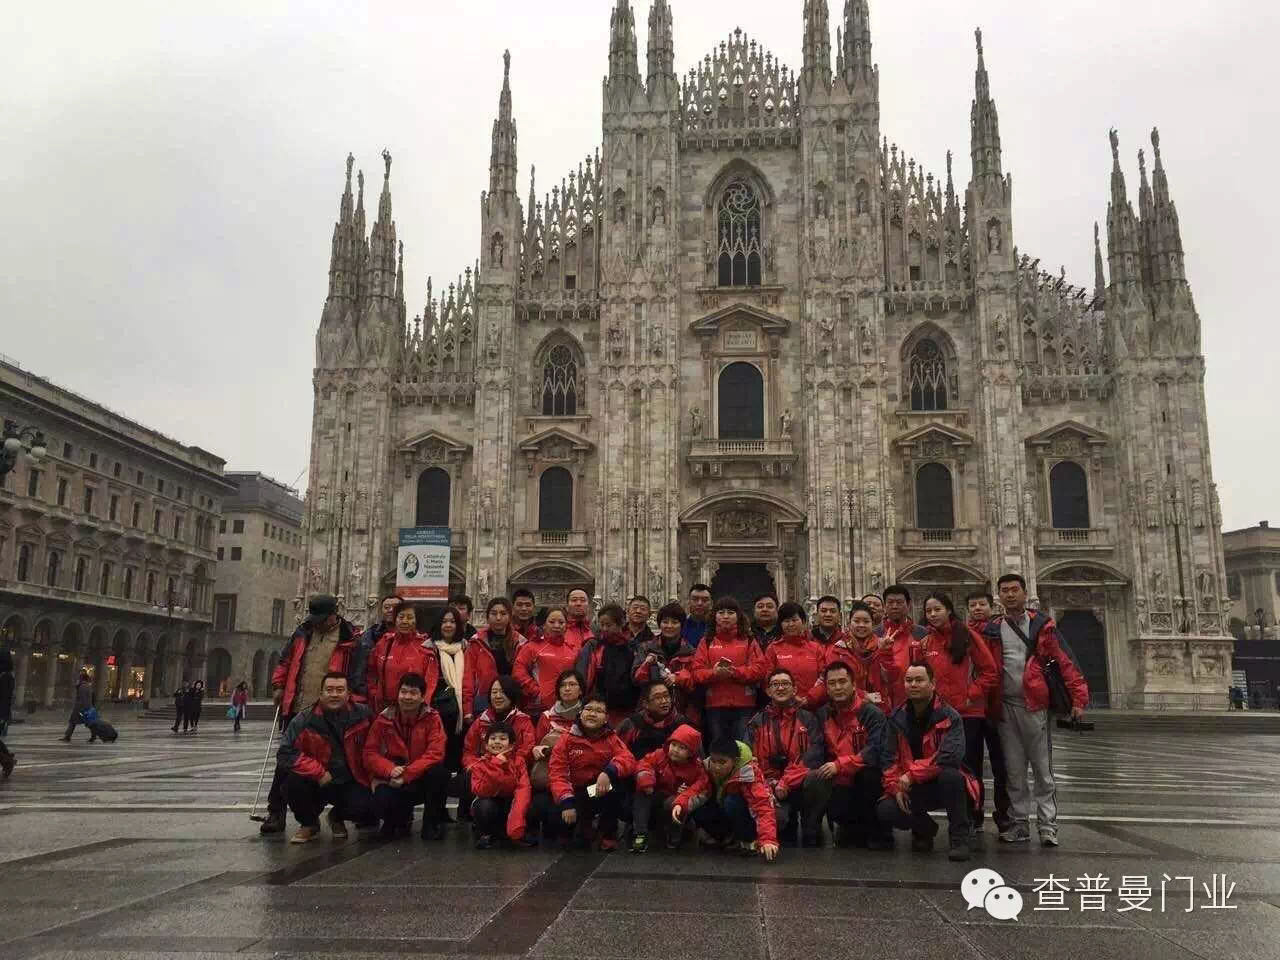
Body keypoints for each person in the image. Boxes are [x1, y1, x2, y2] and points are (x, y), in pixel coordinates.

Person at [982, 573, 1088, 847]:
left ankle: (1047, 825)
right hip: (1005, 707)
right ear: (998, 596)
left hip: (1034, 706)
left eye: (1014, 589)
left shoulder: (1042, 626)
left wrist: (1079, 699)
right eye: (1004, 590)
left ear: (1025, 592)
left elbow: (1065, 663)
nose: (1009, 594)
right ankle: (1019, 824)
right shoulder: (992, 629)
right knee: (1014, 769)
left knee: (1042, 769)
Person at [261, 594, 366, 835]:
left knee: (339, 762)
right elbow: (285, 660)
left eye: (321, 618)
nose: (315, 622)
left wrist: (353, 703)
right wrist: (278, 686)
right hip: (299, 706)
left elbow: (358, 675)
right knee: (286, 763)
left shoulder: (350, 638)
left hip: (334, 710)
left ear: (333, 615)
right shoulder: (303, 632)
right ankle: (276, 812)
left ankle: (337, 812)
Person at [877, 662, 980, 862]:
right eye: (909, 680)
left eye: (919, 680)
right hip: (911, 784)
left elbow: (949, 757)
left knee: (952, 776)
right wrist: (895, 787)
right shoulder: (896, 718)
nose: (913, 684)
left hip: (943, 782)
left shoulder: (950, 716)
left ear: (932, 684)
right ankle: (924, 830)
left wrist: (911, 775)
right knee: (886, 809)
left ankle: (959, 839)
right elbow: (889, 760)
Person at [921, 592, 998, 844]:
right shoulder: (926, 642)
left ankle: (974, 818)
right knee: (946, 767)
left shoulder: (966, 635)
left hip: (967, 714)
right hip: (939, 715)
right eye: (929, 611)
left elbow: (989, 671)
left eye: (937, 609)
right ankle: (959, 819)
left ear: (949, 610)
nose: (933, 614)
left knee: (969, 767)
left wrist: (969, 696)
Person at [277, 671, 377, 844]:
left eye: (340, 690)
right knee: (292, 782)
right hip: (318, 780)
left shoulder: (364, 715)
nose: (334, 694)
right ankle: (309, 823)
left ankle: (336, 816)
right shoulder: (305, 718)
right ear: (321, 693)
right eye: (329, 690)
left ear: (348, 694)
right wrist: (318, 772)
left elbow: (378, 746)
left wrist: (375, 776)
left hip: (351, 779)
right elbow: (285, 752)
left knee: (371, 804)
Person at [363, 672, 450, 840]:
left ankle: (431, 823)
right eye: (403, 692)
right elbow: (369, 753)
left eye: (413, 693)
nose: (407, 697)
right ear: (397, 694)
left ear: (422, 697)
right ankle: (395, 820)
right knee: (379, 800)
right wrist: (389, 769)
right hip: (393, 777)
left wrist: (407, 774)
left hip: (419, 776)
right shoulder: (383, 719)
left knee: (439, 773)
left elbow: (436, 753)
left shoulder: (433, 718)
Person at [747, 669, 827, 846]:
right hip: (770, 787)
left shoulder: (809, 719)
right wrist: (769, 784)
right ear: (768, 691)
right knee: (779, 823)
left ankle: (811, 827)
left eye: (785, 684)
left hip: (799, 783)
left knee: (818, 777)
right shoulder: (756, 722)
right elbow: (749, 760)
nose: (780, 688)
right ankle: (786, 824)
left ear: (794, 689)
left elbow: (814, 756)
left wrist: (786, 781)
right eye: (775, 684)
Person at [817, 661, 892, 849]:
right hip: (838, 778)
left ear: (853, 685)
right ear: (827, 688)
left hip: (866, 775)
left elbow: (875, 750)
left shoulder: (872, 713)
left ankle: (880, 831)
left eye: (842, 682)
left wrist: (840, 765)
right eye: (832, 683)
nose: (838, 687)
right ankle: (846, 826)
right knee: (817, 779)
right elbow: (819, 749)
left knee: (869, 776)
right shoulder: (822, 714)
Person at [547, 696, 636, 850]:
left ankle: (608, 833)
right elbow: (557, 774)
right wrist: (566, 801)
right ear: (580, 713)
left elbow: (628, 759)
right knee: (563, 831)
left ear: (606, 718)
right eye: (588, 709)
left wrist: (608, 772)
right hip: (573, 793)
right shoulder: (567, 740)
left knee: (614, 788)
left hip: (596, 789)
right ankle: (582, 828)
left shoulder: (611, 738)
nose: (592, 714)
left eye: (599, 711)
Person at [675, 735, 779, 860]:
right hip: (723, 810)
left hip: (748, 818)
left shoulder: (750, 773)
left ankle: (747, 840)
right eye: (713, 761)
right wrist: (680, 802)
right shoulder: (706, 767)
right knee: (696, 804)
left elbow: (763, 806)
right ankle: (725, 838)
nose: (716, 767)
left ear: (734, 761)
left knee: (732, 801)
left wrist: (768, 839)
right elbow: (697, 787)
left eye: (722, 762)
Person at [680, 597, 763, 745]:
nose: (725, 616)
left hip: (744, 704)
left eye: (730, 612)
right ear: (714, 616)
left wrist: (735, 672)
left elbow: (759, 669)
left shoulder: (749, 640)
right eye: (721, 612)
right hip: (715, 705)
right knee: (718, 748)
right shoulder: (706, 641)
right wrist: (714, 673)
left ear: (738, 616)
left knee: (743, 747)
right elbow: (696, 672)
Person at [966, 590, 1012, 833]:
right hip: (972, 709)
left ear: (991, 606)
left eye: (981, 604)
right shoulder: (962, 635)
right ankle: (974, 814)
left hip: (997, 705)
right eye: (973, 605)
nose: (977, 608)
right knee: (971, 765)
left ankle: (1003, 814)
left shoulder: (1004, 631)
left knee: (1002, 764)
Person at [631, 724, 706, 852]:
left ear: (691, 752)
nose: (675, 750)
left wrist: (684, 794)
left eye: (682, 747)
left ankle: (674, 837)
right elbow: (644, 764)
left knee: (678, 806)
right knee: (641, 793)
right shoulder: (660, 755)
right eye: (674, 744)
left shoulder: (697, 768)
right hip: (655, 792)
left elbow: (700, 786)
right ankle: (640, 834)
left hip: (675, 799)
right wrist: (647, 781)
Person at [366, 601, 440, 714]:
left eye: (410, 617)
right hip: (384, 709)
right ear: (395, 620)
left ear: (416, 621)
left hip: (413, 709)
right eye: (401, 617)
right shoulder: (384, 642)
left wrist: (423, 706)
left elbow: (430, 682)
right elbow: (372, 673)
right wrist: (374, 694)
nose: (405, 621)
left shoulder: (425, 646)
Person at [469, 722, 534, 848]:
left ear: (511, 745)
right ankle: (486, 834)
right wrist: (496, 765)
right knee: (484, 806)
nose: (497, 742)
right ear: (486, 745)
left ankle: (518, 832)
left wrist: (516, 822)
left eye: (503, 739)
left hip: (511, 802)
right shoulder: (480, 763)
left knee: (529, 803)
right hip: (490, 801)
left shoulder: (519, 761)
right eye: (493, 738)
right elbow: (481, 791)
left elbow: (523, 787)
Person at [633, 602, 699, 725]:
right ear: (659, 624)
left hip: (680, 711)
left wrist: (679, 678)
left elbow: (696, 681)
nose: (669, 626)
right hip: (649, 712)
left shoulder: (691, 651)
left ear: (682, 625)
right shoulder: (646, 648)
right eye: (665, 622)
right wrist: (646, 665)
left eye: (674, 622)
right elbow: (636, 679)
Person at [431, 606, 468, 818]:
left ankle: (464, 809)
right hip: (438, 714)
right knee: (439, 763)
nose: (448, 625)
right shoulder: (429, 649)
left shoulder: (466, 648)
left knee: (462, 761)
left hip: (461, 714)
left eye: (452, 621)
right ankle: (438, 810)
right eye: (444, 621)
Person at [577, 603, 640, 727]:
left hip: (628, 710)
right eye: (602, 625)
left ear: (621, 624)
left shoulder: (633, 648)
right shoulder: (595, 646)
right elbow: (583, 676)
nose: (604, 629)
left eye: (609, 625)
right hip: (599, 708)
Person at [869, 584, 927, 712]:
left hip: (916, 702)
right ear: (884, 606)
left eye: (899, 602)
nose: (895, 606)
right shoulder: (874, 635)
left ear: (909, 604)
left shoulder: (922, 633)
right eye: (890, 602)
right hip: (883, 704)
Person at [514, 606, 582, 715]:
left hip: (567, 708)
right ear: (544, 625)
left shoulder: (573, 650)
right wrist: (535, 691)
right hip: (538, 708)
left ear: (566, 626)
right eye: (552, 622)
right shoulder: (532, 647)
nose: (557, 625)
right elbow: (518, 670)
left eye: (561, 622)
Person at [807, 601, 875, 709]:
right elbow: (827, 680)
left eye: (866, 621)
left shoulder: (882, 646)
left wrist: (886, 653)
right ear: (849, 623)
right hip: (846, 706)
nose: (861, 625)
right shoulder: (838, 649)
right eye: (856, 621)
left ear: (873, 624)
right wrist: (808, 699)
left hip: (880, 705)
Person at [465, 598, 523, 722]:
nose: (498, 618)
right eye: (493, 613)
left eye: (503, 613)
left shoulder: (520, 642)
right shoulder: (476, 641)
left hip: (512, 702)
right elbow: (468, 677)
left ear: (510, 616)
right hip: (483, 701)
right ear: (487, 616)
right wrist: (467, 709)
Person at [761, 602, 826, 707]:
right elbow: (767, 679)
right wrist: (790, 697)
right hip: (783, 706)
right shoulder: (773, 649)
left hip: (814, 706)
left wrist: (810, 698)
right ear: (780, 624)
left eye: (795, 620)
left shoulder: (816, 648)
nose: (791, 624)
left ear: (803, 621)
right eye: (786, 621)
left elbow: (824, 677)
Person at [464, 676, 536, 768]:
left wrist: (503, 764)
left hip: (513, 771)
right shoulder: (481, 721)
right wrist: (478, 767)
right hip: (483, 771)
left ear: (512, 695)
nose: (498, 696)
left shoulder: (523, 721)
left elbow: (527, 751)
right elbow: (469, 752)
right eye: (494, 692)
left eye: (503, 692)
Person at [618, 680, 688, 759]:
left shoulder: (681, 723)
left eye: (666, 696)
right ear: (646, 704)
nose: (664, 701)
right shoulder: (632, 724)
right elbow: (620, 754)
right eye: (657, 697)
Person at [355, 595, 402, 699]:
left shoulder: (415, 639)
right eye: (386, 607)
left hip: (405, 696)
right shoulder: (370, 636)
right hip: (376, 697)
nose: (390, 610)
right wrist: (366, 695)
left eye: (395, 607)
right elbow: (360, 669)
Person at [62, 668, 97, 743]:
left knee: (75, 722)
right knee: (77, 722)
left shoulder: (83, 687)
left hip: (81, 708)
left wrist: (80, 709)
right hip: (86, 708)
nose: (77, 680)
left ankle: (68, 736)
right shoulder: (87, 686)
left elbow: (83, 699)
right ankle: (68, 736)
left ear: (82, 679)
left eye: (79, 679)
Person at [682, 584, 713, 648]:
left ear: (711, 604)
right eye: (695, 599)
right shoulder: (680, 626)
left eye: (704, 600)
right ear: (688, 602)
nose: (699, 603)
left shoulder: (717, 627)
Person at [0, 648, 16, 777]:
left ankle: (7, 760)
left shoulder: (6, 677)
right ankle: (7, 758)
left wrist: (3, 716)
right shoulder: (4, 675)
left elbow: (5, 698)